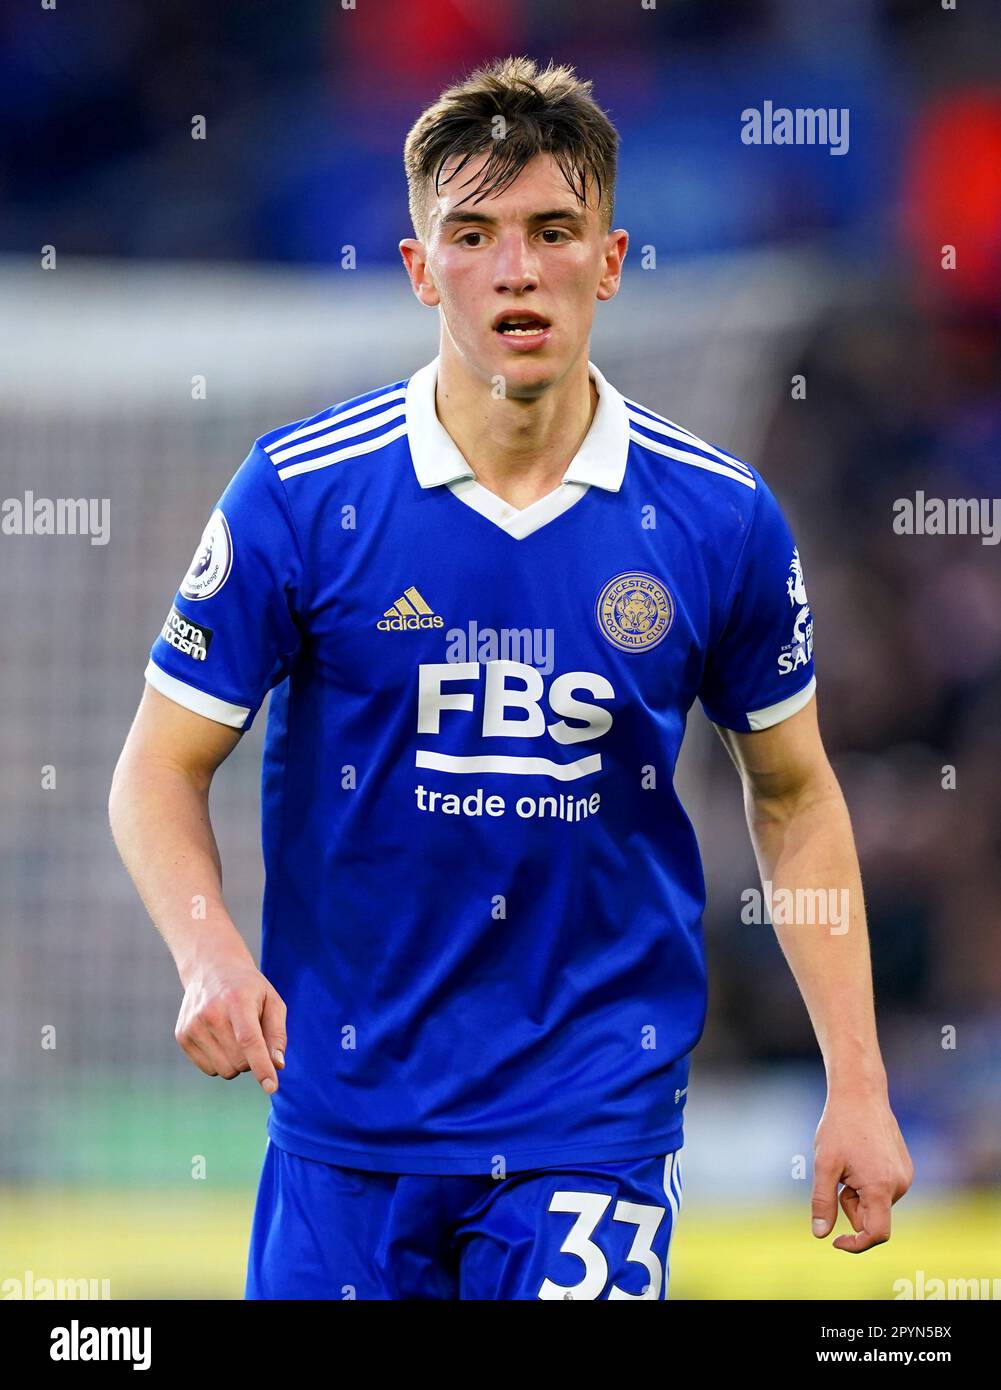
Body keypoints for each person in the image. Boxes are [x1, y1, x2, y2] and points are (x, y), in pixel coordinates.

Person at [109, 55, 912, 1301]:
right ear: (421, 268)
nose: (516, 270)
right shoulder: (302, 496)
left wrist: (855, 1085)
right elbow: (157, 768)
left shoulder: (716, 517)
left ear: (611, 257)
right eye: (471, 236)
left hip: (589, 1119)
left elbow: (795, 797)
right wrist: (208, 953)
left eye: (552, 230)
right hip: (347, 1125)